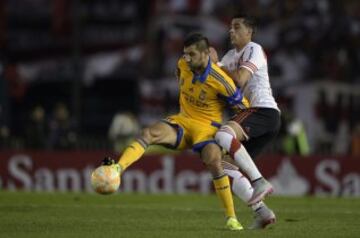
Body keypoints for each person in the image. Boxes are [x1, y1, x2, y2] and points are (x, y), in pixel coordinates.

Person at [99, 33, 246, 231]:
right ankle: (117, 169)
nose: (187, 58)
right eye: (185, 54)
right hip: (183, 121)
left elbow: (245, 111)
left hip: (207, 128)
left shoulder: (222, 81)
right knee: (148, 133)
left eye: (191, 54)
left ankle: (231, 217)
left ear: (205, 54)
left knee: (213, 161)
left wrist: (233, 135)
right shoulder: (182, 65)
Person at [210, 14, 281, 228]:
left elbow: (239, 79)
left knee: (223, 135)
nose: (231, 31)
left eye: (237, 27)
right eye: (230, 28)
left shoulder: (253, 48)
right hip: (258, 117)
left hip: (263, 110)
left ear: (249, 32)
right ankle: (263, 212)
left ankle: (259, 181)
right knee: (223, 165)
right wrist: (206, 64)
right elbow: (218, 78)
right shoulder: (231, 55)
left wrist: (215, 65)